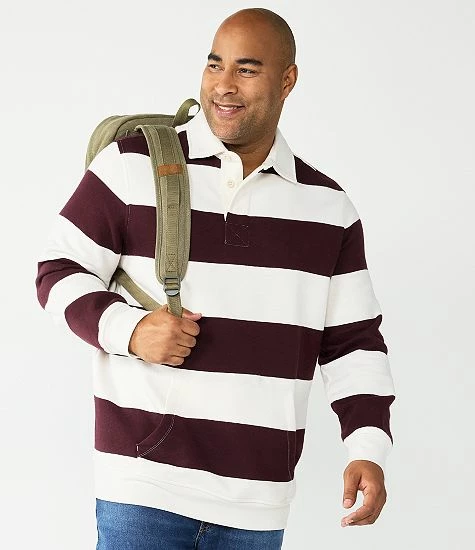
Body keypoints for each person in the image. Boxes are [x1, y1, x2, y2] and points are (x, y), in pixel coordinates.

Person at [35, 7, 396, 549]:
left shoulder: (328, 209)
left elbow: (354, 343)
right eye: (214, 64)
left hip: (258, 503)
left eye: (246, 69)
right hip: (144, 488)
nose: (223, 85)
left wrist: (367, 447)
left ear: (287, 81)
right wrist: (130, 330)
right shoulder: (132, 163)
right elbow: (58, 269)